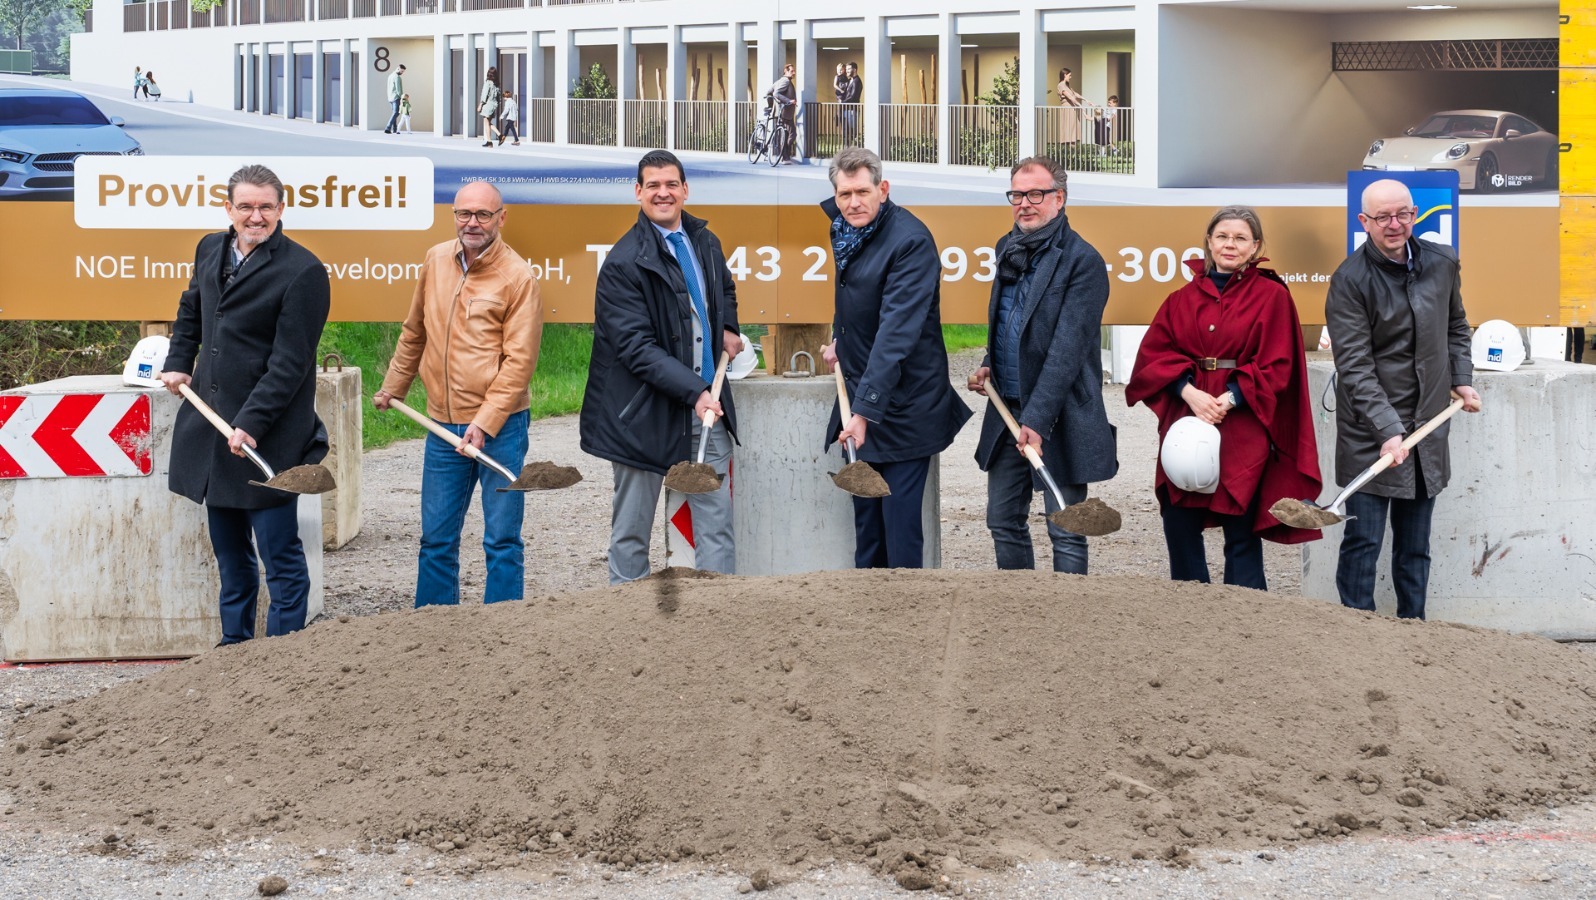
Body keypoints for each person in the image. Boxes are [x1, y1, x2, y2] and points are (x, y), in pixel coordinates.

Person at [160, 164, 330, 646]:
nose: (256, 217)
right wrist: (178, 360)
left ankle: (283, 658)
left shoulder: (304, 272)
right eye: (246, 207)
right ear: (229, 208)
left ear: (281, 208)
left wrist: (251, 423)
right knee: (231, 559)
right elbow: (192, 310)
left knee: (281, 560)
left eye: (266, 207)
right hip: (215, 435)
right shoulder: (210, 248)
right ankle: (233, 655)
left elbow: (290, 364)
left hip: (266, 442)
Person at [1126, 206, 1323, 589]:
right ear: (1210, 241)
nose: (1230, 244)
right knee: (1178, 513)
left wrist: (1229, 399)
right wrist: (1190, 394)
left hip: (1244, 419)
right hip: (1188, 415)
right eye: (1222, 236)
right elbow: (1155, 356)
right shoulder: (1181, 298)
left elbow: (1277, 363)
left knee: (1241, 521)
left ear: (1256, 246)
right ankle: (1189, 606)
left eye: (1240, 238)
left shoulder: (1272, 297)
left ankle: (1245, 617)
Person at [374, 182, 542, 607]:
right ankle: (432, 630)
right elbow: (415, 332)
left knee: (502, 537)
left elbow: (518, 365)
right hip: (441, 424)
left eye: (483, 215)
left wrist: (484, 423)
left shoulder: (518, 277)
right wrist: (393, 386)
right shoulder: (435, 260)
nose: (472, 223)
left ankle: (501, 633)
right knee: (436, 538)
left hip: (500, 429)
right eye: (464, 213)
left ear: (501, 218)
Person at [579, 150, 743, 584]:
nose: (663, 193)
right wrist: (695, 392)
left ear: (685, 190)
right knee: (633, 531)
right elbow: (636, 348)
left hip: (703, 412)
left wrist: (727, 325)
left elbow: (723, 287)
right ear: (638, 192)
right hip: (642, 416)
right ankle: (627, 621)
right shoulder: (623, 263)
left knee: (717, 524)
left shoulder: (704, 241)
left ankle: (717, 611)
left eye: (671, 184)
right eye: (653, 185)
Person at [1326, 179, 1482, 619]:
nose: (1395, 225)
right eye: (1382, 217)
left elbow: (1456, 326)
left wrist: (1462, 378)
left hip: (1427, 429)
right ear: (1364, 222)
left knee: (1416, 548)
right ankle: (1359, 634)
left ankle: (1415, 634)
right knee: (1363, 543)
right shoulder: (1349, 280)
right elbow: (1354, 366)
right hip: (1370, 435)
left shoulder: (1442, 262)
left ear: (1415, 214)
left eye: (1403, 215)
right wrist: (1389, 430)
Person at [821, 147, 972, 568]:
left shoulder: (910, 241)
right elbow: (855, 294)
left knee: (899, 526)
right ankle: (871, 619)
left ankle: (909, 616)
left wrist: (864, 413)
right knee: (867, 524)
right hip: (865, 396)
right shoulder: (847, 228)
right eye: (845, 193)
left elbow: (896, 332)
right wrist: (841, 339)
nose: (853, 202)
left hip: (905, 405)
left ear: (882, 189)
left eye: (862, 192)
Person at [965, 157, 1116, 574]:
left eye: (1036, 194)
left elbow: (1067, 351)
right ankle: (1021, 613)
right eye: (1017, 194)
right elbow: (1012, 324)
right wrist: (989, 364)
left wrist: (1037, 418)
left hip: (1058, 414)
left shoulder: (1082, 261)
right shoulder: (1007, 247)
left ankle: (1068, 623)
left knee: (1066, 526)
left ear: (1059, 198)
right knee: (1002, 521)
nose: (1024, 204)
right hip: (1007, 409)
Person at [765, 63, 798, 164]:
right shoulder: (785, 81)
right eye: (792, 71)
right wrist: (788, 101)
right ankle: (785, 156)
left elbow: (769, 93)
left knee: (786, 134)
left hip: (782, 112)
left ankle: (785, 156)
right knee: (791, 133)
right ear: (786, 71)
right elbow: (776, 93)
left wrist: (772, 106)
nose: (794, 73)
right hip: (785, 113)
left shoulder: (778, 81)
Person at [1055, 67, 1089, 148]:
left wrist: (1086, 100)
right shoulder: (1061, 85)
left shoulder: (1067, 86)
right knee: (1070, 127)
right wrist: (1079, 105)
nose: (1070, 77)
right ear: (1065, 75)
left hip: (1072, 108)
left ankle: (1072, 148)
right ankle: (1069, 148)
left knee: (1074, 127)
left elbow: (1074, 94)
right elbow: (1070, 97)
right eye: (1069, 75)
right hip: (1067, 108)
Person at [838, 62, 863, 146]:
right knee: (845, 131)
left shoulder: (857, 81)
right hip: (846, 110)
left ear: (854, 70)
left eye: (849, 69)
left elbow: (853, 97)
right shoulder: (849, 80)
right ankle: (846, 149)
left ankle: (854, 149)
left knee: (852, 133)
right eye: (847, 69)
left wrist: (842, 102)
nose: (847, 71)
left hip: (852, 110)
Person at [479, 67, 503, 147]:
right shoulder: (497, 84)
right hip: (493, 105)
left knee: (486, 123)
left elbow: (484, 94)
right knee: (488, 122)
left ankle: (490, 141)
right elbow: (499, 98)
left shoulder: (488, 83)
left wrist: (480, 104)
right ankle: (498, 136)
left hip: (487, 104)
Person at [384, 63, 405, 134]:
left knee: (394, 113)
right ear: (398, 68)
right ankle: (388, 127)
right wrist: (402, 97)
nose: (402, 73)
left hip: (390, 97)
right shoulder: (397, 77)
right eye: (402, 71)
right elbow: (399, 89)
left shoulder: (390, 76)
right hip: (396, 97)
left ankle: (395, 129)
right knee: (396, 113)